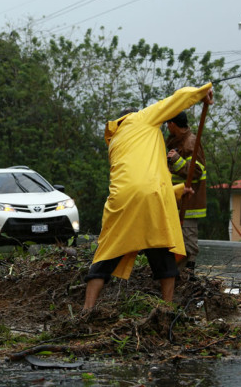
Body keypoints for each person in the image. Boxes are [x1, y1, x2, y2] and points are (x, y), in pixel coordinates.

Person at [83, 83, 213, 311]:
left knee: (103, 258)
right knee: (162, 253)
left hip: (119, 202)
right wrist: (202, 92)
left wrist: (176, 190)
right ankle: (167, 309)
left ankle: (86, 310)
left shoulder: (114, 142)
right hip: (152, 199)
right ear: (134, 115)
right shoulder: (142, 119)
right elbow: (178, 99)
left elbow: (135, 181)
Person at [166, 111, 206, 274]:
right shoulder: (176, 142)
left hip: (189, 204)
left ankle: (188, 277)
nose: (167, 127)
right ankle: (177, 276)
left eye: (168, 124)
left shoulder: (191, 143)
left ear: (172, 124)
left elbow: (196, 171)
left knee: (188, 244)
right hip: (175, 203)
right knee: (174, 244)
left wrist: (176, 159)